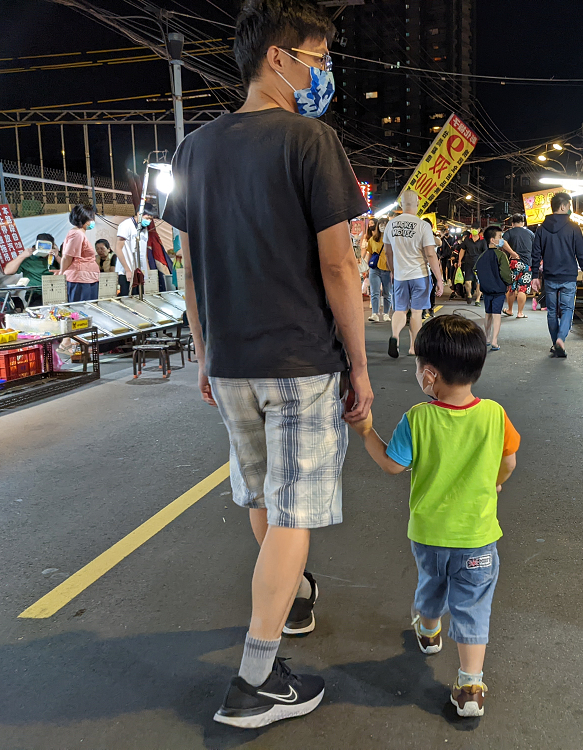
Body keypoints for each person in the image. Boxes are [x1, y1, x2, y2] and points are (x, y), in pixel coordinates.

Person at [162, 0, 373, 729]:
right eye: (318, 60)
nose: (325, 74)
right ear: (279, 58)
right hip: (298, 359)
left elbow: (188, 269)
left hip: (231, 362)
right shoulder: (310, 141)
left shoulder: (193, 148)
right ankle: (254, 681)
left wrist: (204, 351)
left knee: (263, 501)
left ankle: (295, 596)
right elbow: (340, 267)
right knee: (293, 513)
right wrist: (360, 367)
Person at [350, 314, 519, 718]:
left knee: (432, 581)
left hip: (428, 534)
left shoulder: (418, 418)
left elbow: (393, 465)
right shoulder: (494, 414)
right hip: (477, 538)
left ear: (429, 375)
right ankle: (470, 686)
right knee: (473, 604)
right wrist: (495, 482)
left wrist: (365, 432)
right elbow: (509, 461)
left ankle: (428, 632)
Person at [383, 189, 444, 358]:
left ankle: (395, 336)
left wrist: (393, 271)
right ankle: (413, 347)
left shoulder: (390, 225)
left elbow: (388, 253)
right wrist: (439, 279)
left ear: (401, 205)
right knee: (416, 312)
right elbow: (431, 254)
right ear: (417, 204)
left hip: (400, 275)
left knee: (400, 310)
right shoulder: (423, 226)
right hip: (420, 275)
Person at [530, 192, 583, 358]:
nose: (570, 209)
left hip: (549, 276)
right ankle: (561, 340)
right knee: (567, 309)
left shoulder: (541, 228)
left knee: (551, 312)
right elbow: (581, 252)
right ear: (563, 206)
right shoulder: (573, 227)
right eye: (569, 206)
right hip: (569, 276)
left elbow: (536, 253)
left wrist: (535, 275)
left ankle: (555, 342)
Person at [475, 225, 513, 352]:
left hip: (486, 290)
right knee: (496, 314)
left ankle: (486, 338)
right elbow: (505, 274)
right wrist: (509, 282)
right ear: (492, 240)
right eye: (500, 237)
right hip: (498, 290)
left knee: (488, 314)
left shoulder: (482, 256)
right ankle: (495, 341)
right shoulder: (501, 255)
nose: (502, 240)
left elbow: (476, 270)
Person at [3, 232, 60, 305]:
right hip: (35, 293)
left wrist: (57, 256)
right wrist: (22, 256)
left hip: (56, 291)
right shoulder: (29, 258)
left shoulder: (56, 256)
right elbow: (7, 271)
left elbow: (70, 270)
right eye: (42, 246)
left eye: (48, 246)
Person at [60, 204, 100, 302]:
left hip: (87, 279)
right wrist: (61, 274)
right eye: (92, 218)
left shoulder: (80, 233)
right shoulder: (77, 234)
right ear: (85, 219)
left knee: (89, 310)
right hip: (80, 280)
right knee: (81, 311)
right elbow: (67, 257)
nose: (93, 221)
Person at [502, 214, 534, 318]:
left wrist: (512, 253)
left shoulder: (509, 232)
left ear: (512, 223)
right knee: (523, 289)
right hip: (527, 263)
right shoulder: (530, 233)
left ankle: (510, 310)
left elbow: (502, 242)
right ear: (523, 222)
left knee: (511, 288)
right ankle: (520, 313)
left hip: (513, 263)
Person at [115, 209, 153, 296]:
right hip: (127, 272)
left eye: (151, 219)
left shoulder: (144, 229)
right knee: (127, 299)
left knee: (139, 297)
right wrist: (127, 270)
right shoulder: (126, 225)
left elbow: (143, 252)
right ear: (139, 213)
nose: (149, 221)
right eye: (147, 218)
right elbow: (118, 248)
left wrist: (146, 270)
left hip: (139, 271)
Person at [362, 218, 391, 322]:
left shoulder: (392, 239)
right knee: (374, 292)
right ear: (378, 226)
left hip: (387, 269)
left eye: (385, 224)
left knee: (387, 293)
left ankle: (386, 313)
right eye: (381, 224)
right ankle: (374, 313)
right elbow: (370, 253)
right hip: (375, 269)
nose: (382, 226)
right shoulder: (373, 239)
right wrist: (367, 268)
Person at [457, 225, 484, 305]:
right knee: (468, 282)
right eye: (472, 229)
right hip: (468, 263)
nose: (474, 230)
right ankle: (469, 294)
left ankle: (478, 299)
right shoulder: (467, 240)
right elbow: (462, 250)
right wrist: (459, 261)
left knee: (479, 282)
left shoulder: (483, 241)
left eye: (476, 228)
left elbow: (485, 253)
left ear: (479, 230)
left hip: (480, 264)